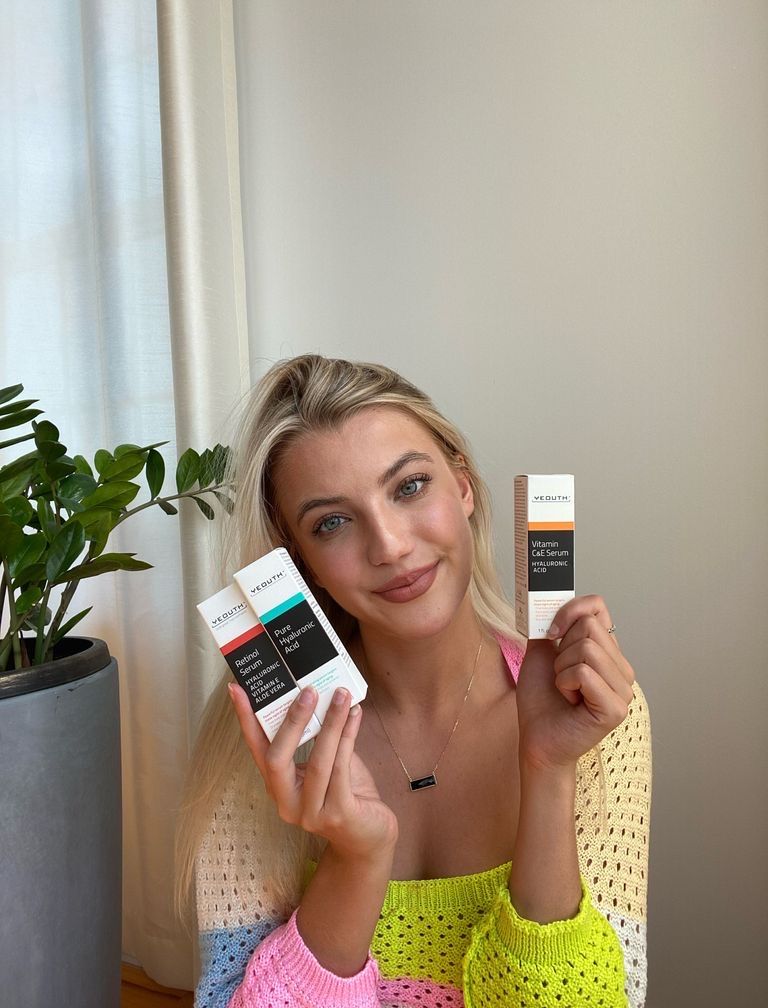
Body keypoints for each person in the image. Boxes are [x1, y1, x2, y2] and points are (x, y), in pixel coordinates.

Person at [175, 354, 651, 1008]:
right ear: (298, 559)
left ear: (463, 487)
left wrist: (547, 770)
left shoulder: (591, 707)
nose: (391, 545)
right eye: (332, 523)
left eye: (409, 487)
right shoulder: (258, 739)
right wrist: (354, 861)